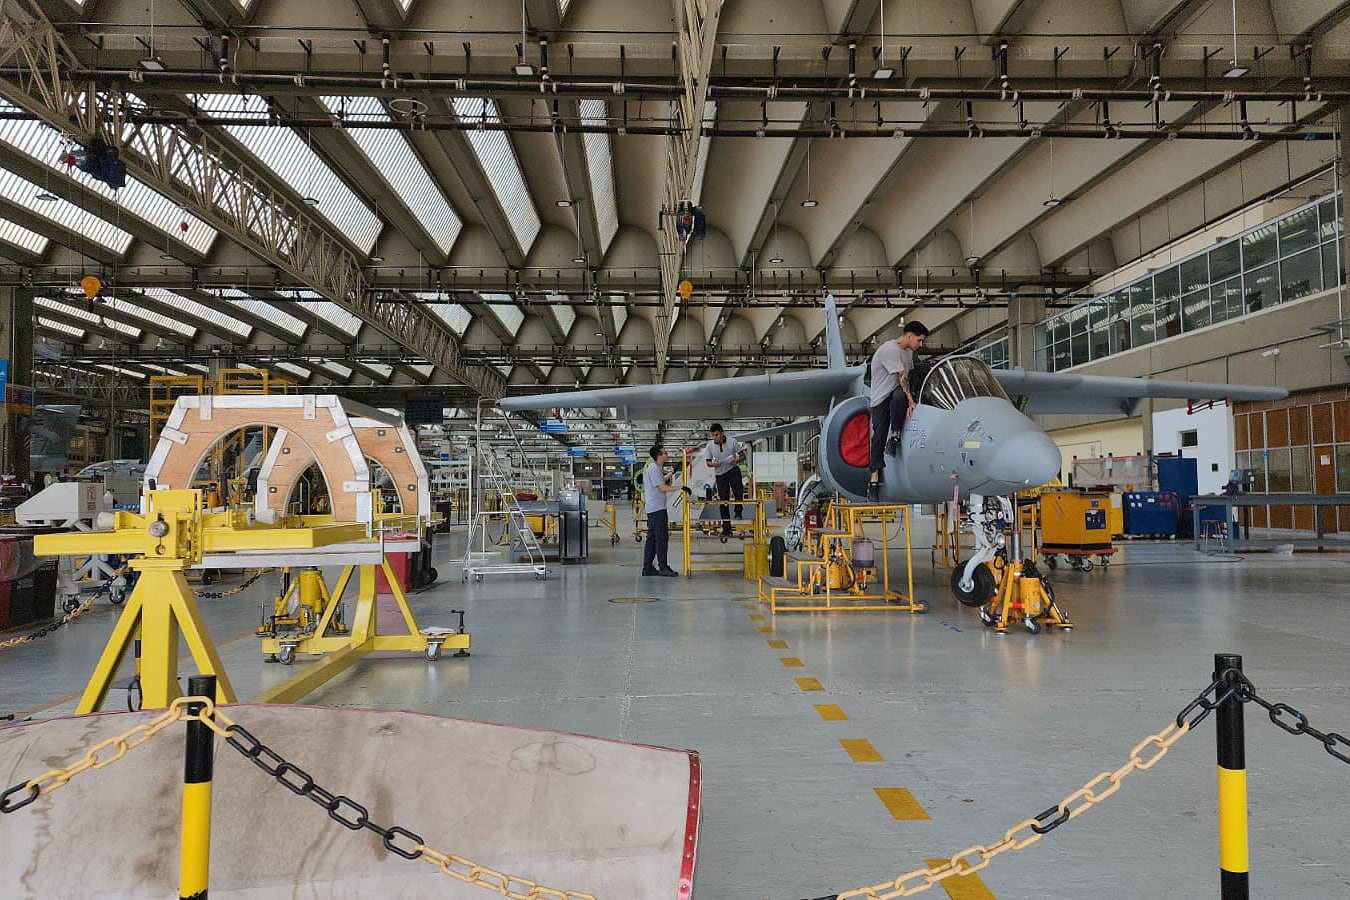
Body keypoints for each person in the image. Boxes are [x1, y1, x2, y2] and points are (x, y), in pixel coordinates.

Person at [868, 320, 929, 501]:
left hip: (896, 396)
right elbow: (902, 377)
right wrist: (912, 402)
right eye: (919, 340)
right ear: (909, 336)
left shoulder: (909, 353)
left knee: (899, 396)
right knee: (878, 437)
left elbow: (907, 380)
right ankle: (873, 479)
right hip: (880, 399)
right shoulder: (890, 350)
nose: (921, 344)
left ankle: (894, 437)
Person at [642, 444, 684, 577]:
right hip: (657, 509)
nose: (667, 454)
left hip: (653, 508)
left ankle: (647, 567)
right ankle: (663, 566)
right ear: (659, 456)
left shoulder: (655, 468)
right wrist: (680, 488)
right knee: (661, 538)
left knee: (652, 538)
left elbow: (660, 481)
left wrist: (672, 473)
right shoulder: (654, 468)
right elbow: (662, 487)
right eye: (664, 453)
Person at [704, 423, 747, 537]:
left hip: (732, 469)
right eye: (713, 435)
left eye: (716, 435)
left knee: (738, 490)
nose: (714, 438)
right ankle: (727, 528)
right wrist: (714, 464)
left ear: (722, 433)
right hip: (720, 474)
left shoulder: (733, 442)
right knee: (723, 500)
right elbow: (707, 462)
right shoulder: (710, 446)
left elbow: (743, 456)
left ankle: (738, 511)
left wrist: (736, 461)